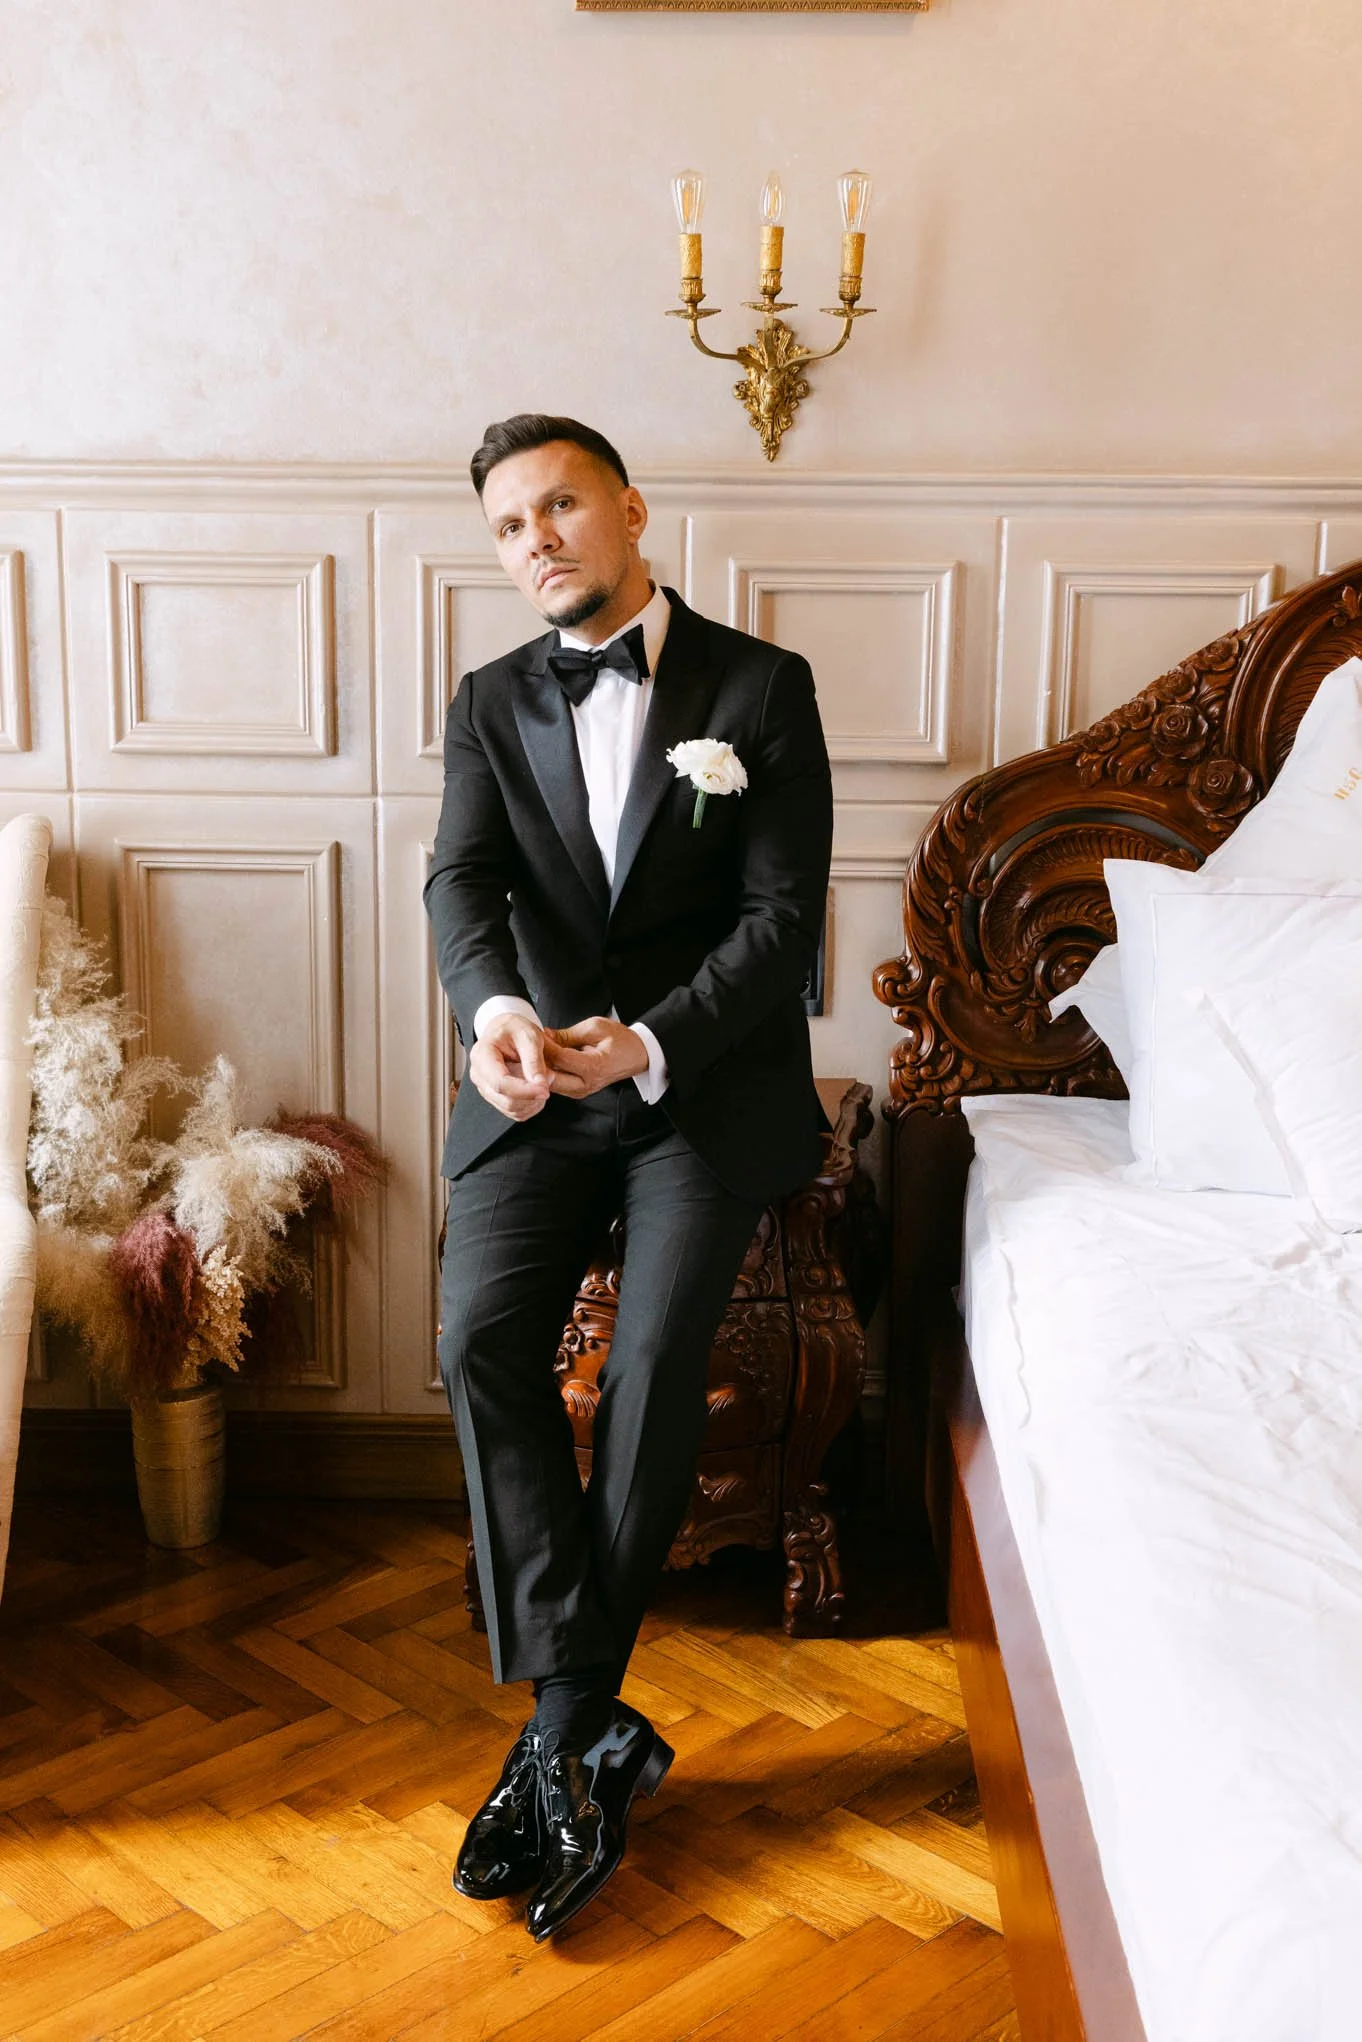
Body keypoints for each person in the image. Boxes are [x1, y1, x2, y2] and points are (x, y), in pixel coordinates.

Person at [425, 413, 833, 1940]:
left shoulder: (759, 687)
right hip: (537, 1089)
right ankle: (586, 1719)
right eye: (505, 527)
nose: (532, 539)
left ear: (629, 509)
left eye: (557, 506)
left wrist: (650, 1044)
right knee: (476, 1337)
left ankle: (563, 1727)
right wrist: (498, 1015)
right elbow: (460, 882)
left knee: (653, 1358)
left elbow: (779, 923)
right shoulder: (485, 701)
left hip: (694, 1089)